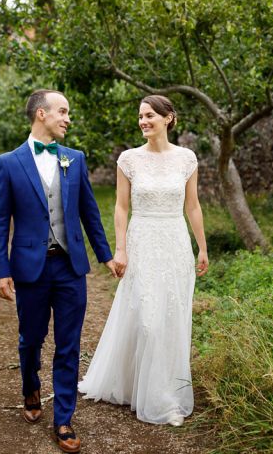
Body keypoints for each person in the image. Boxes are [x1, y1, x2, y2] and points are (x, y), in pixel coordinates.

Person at [0, 89, 117, 453]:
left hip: (70, 267)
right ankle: (31, 388)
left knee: (69, 343)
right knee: (31, 340)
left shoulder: (74, 159)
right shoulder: (9, 163)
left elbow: (90, 212)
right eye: (63, 111)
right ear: (42, 114)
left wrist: (106, 256)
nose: (68, 118)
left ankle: (63, 418)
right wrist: (1, 270)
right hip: (29, 269)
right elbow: (0, 223)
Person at [78, 94, 208, 426]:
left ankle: (162, 389)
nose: (143, 121)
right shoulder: (129, 160)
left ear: (169, 118)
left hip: (176, 242)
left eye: (149, 115)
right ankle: (154, 397)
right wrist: (119, 249)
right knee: (148, 319)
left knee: (170, 317)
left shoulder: (187, 159)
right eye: (140, 117)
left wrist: (202, 248)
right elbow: (121, 207)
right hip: (142, 240)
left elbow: (192, 206)